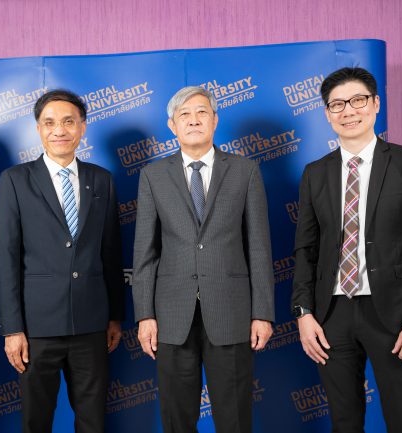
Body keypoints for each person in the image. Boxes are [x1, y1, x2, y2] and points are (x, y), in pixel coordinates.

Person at [291, 67, 402, 433]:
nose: (348, 111)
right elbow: (306, 249)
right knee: (344, 421)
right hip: (330, 315)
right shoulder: (315, 173)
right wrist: (303, 313)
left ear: (376, 104)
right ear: (327, 114)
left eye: (358, 100)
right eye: (338, 104)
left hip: (395, 314)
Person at [132, 86, 275, 433]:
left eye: (201, 112)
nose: (193, 120)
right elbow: (145, 252)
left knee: (234, 418)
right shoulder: (153, 175)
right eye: (184, 114)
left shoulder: (245, 171)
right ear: (172, 125)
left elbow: (259, 247)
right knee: (176, 419)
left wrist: (262, 313)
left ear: (215, 120)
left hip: (231, 313)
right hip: (171, 316)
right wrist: (145, 315)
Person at [0, 89, 125, 433]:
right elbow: (6, 258)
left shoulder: (102, 180)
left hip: (92, 324)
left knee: (93, 421)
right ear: (38, 129)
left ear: (82, 127)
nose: (59, 130)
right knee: (36, 421)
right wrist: (12, 328)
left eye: (69, 121)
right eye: (49, 123)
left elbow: (111, 253)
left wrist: (115, 315)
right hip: (36, 328)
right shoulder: (15, 180)